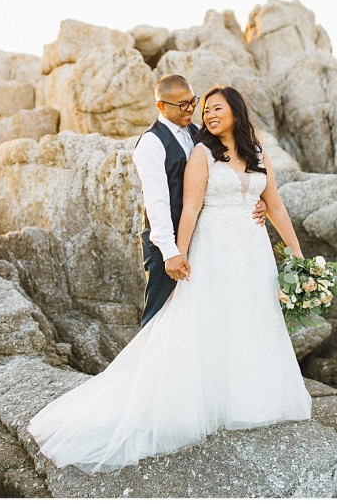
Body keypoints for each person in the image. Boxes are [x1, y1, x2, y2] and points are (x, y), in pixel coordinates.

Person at [27, 84, 311, 474]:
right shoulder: (194, 149)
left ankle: (250, 399)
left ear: (237, 111)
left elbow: (272, 201)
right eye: (202, 109)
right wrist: (175, 252)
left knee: (252, 319)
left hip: (252, 248)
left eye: (212, 108)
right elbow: (182, 207)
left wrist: (298, 256)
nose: (205, 114)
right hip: (208, 247)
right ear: (163, 105)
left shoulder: (254, 146)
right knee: (191, 321)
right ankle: (165, 393)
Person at [132, 74, 266, 325]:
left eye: (192, 101)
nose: (191, 109)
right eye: (182, 105)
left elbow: (227, 172)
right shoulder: (151, 143)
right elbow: (156, 203)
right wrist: (171, 252)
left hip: (204, 240)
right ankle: (148, 364)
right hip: (167, 245)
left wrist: (256, 200)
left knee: (195, 316)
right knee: (160, 315)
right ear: (161, 106)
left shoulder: (200, 134)